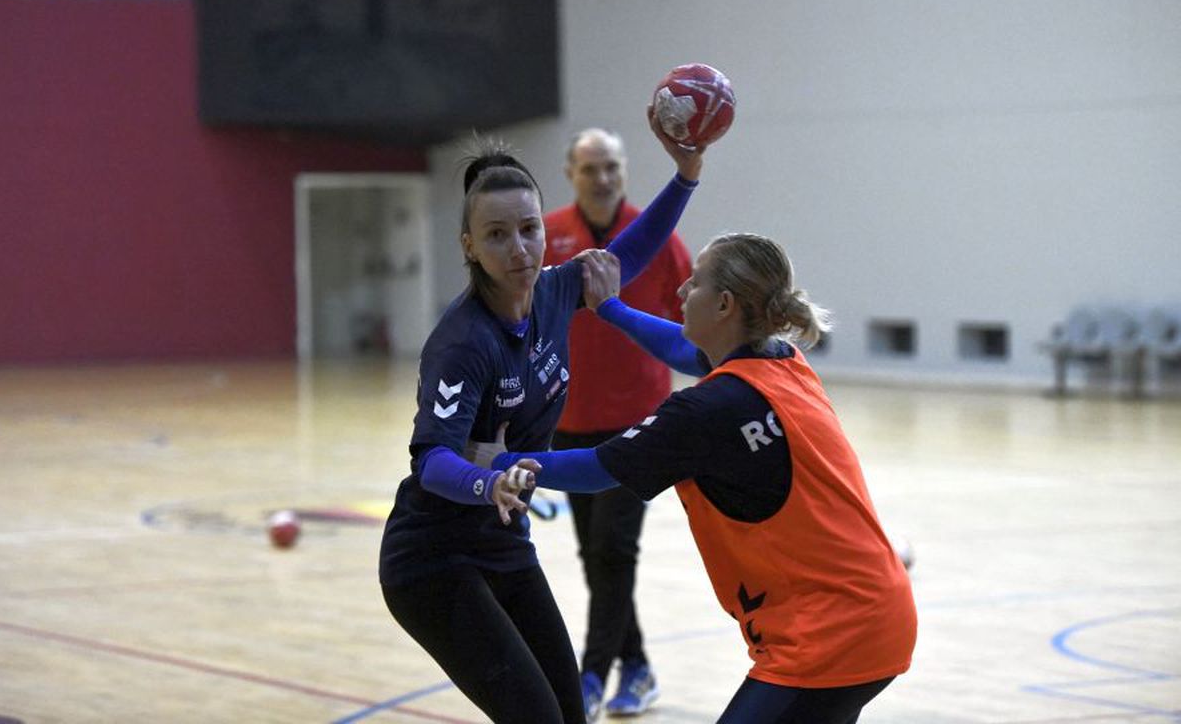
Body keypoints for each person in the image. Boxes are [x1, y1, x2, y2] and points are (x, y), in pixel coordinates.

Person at [472, 235, 918, 724]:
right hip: (875, 612)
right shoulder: (782, 360)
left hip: (830, 634)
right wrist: (611, 309)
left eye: (697, 281)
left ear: (724, 304)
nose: (683, 289)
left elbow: (599, 469)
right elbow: (686, 352)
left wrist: (500, 460)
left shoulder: (707, 411)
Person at [377, 110, 708, 724]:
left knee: (568, 714)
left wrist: (685, 176)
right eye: (497, 235)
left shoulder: (555, 290)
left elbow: (625, 258)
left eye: (528, 228)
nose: (520, 247)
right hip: (431, 559)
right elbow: (431, 459)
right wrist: (489, 480)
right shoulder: (462, 342)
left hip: (502, 542)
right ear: (469, 246)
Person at [543, 128, 690, 720]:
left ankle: (591, 675)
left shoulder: (656, 233)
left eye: (612, 166)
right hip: (569, 421)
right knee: (593, 555)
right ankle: (639, 665)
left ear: (624, 171)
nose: (603, 177)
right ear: (571, 173)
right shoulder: (548, 234)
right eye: (590, 168)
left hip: (640, 423)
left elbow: (690, 319)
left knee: (614, 549)